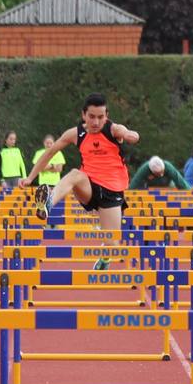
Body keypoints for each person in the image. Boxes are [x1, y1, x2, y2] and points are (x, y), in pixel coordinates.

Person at [21, 93, 140, 269]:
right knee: (74, 174)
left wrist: (131, 136)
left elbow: (131, 134)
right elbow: (50, 152)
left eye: (100, 117)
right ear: (83, 115)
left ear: (106, 115)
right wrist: (30, 177)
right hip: (88, 185)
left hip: (112, 190)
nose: (96, 122)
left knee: (113, 243)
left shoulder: (113, 130)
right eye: (91, 117)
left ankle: (105, 258)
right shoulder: (76, 133)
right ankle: (47, 203)